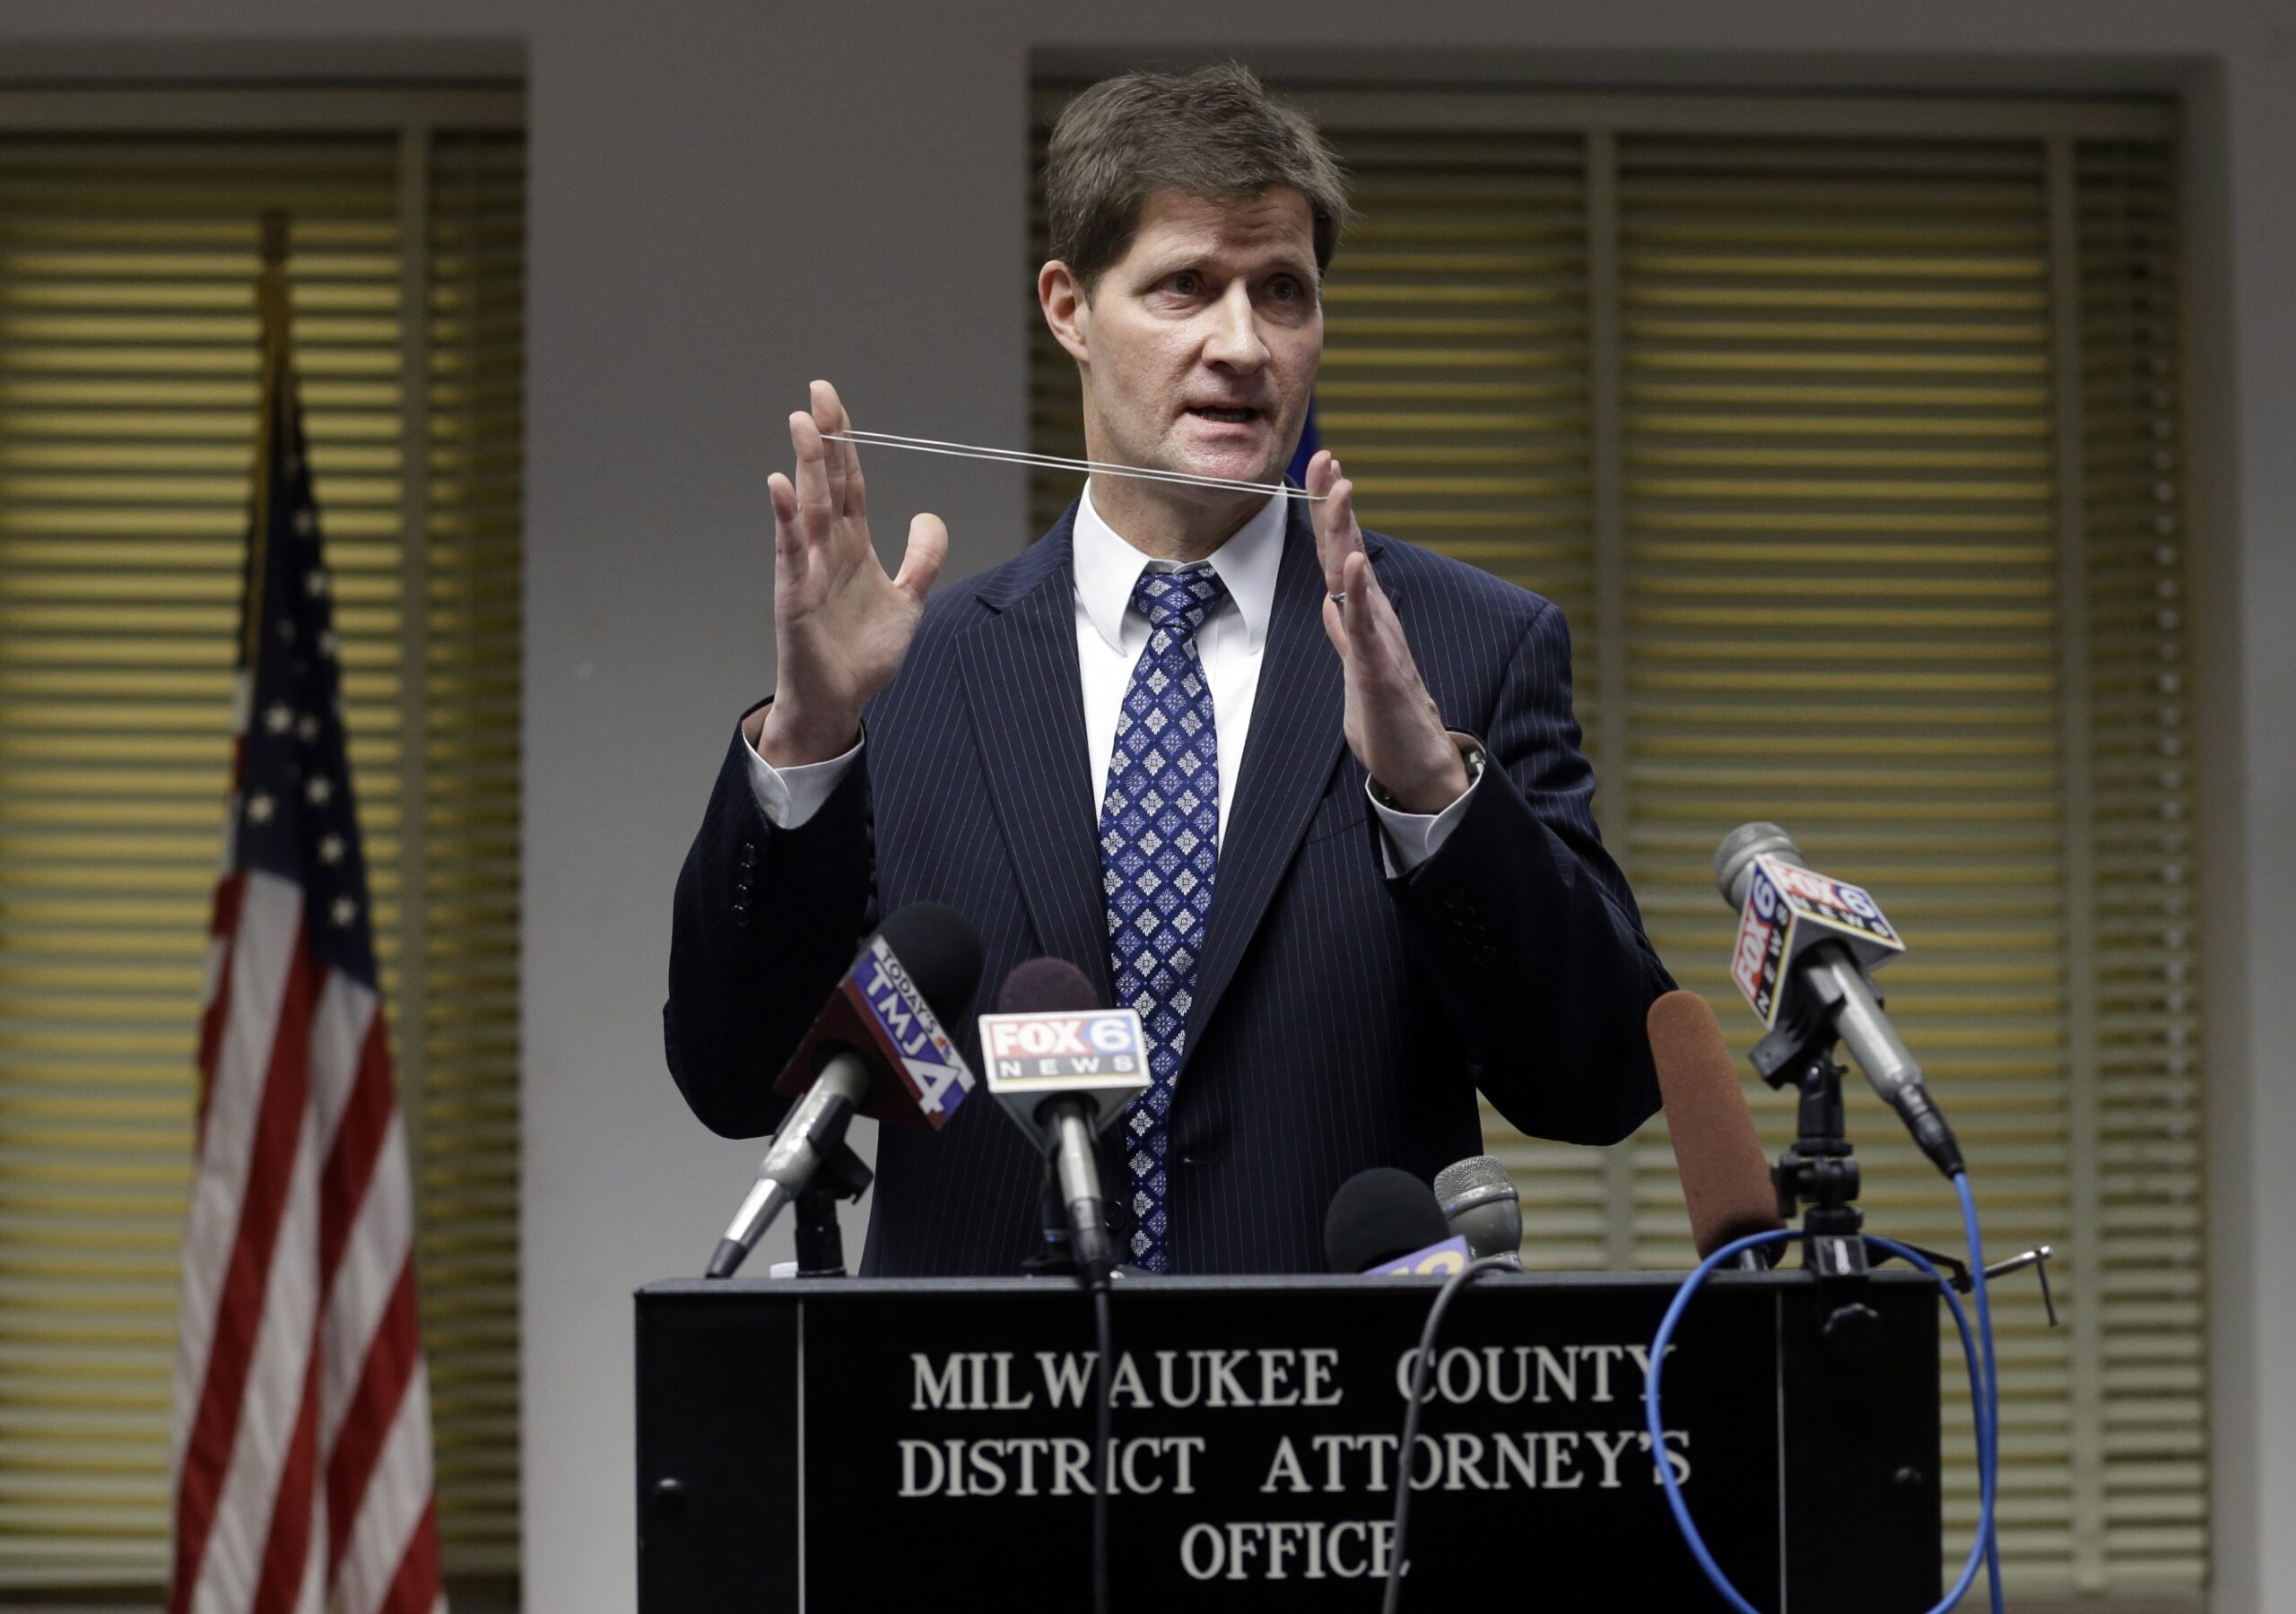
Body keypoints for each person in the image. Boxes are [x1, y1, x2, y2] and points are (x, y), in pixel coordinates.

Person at [665, 64, 1674, 1276]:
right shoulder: (910, 675)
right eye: (1186, 287)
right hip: (982, 1434)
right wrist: (810, 744)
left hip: (1342, 1438)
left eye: (1284, 293)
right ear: (1069, 307)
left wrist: (1434, 800)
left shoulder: (1463, 650)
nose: (1242, 346)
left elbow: (1599, 1082)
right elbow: (737, 1078)